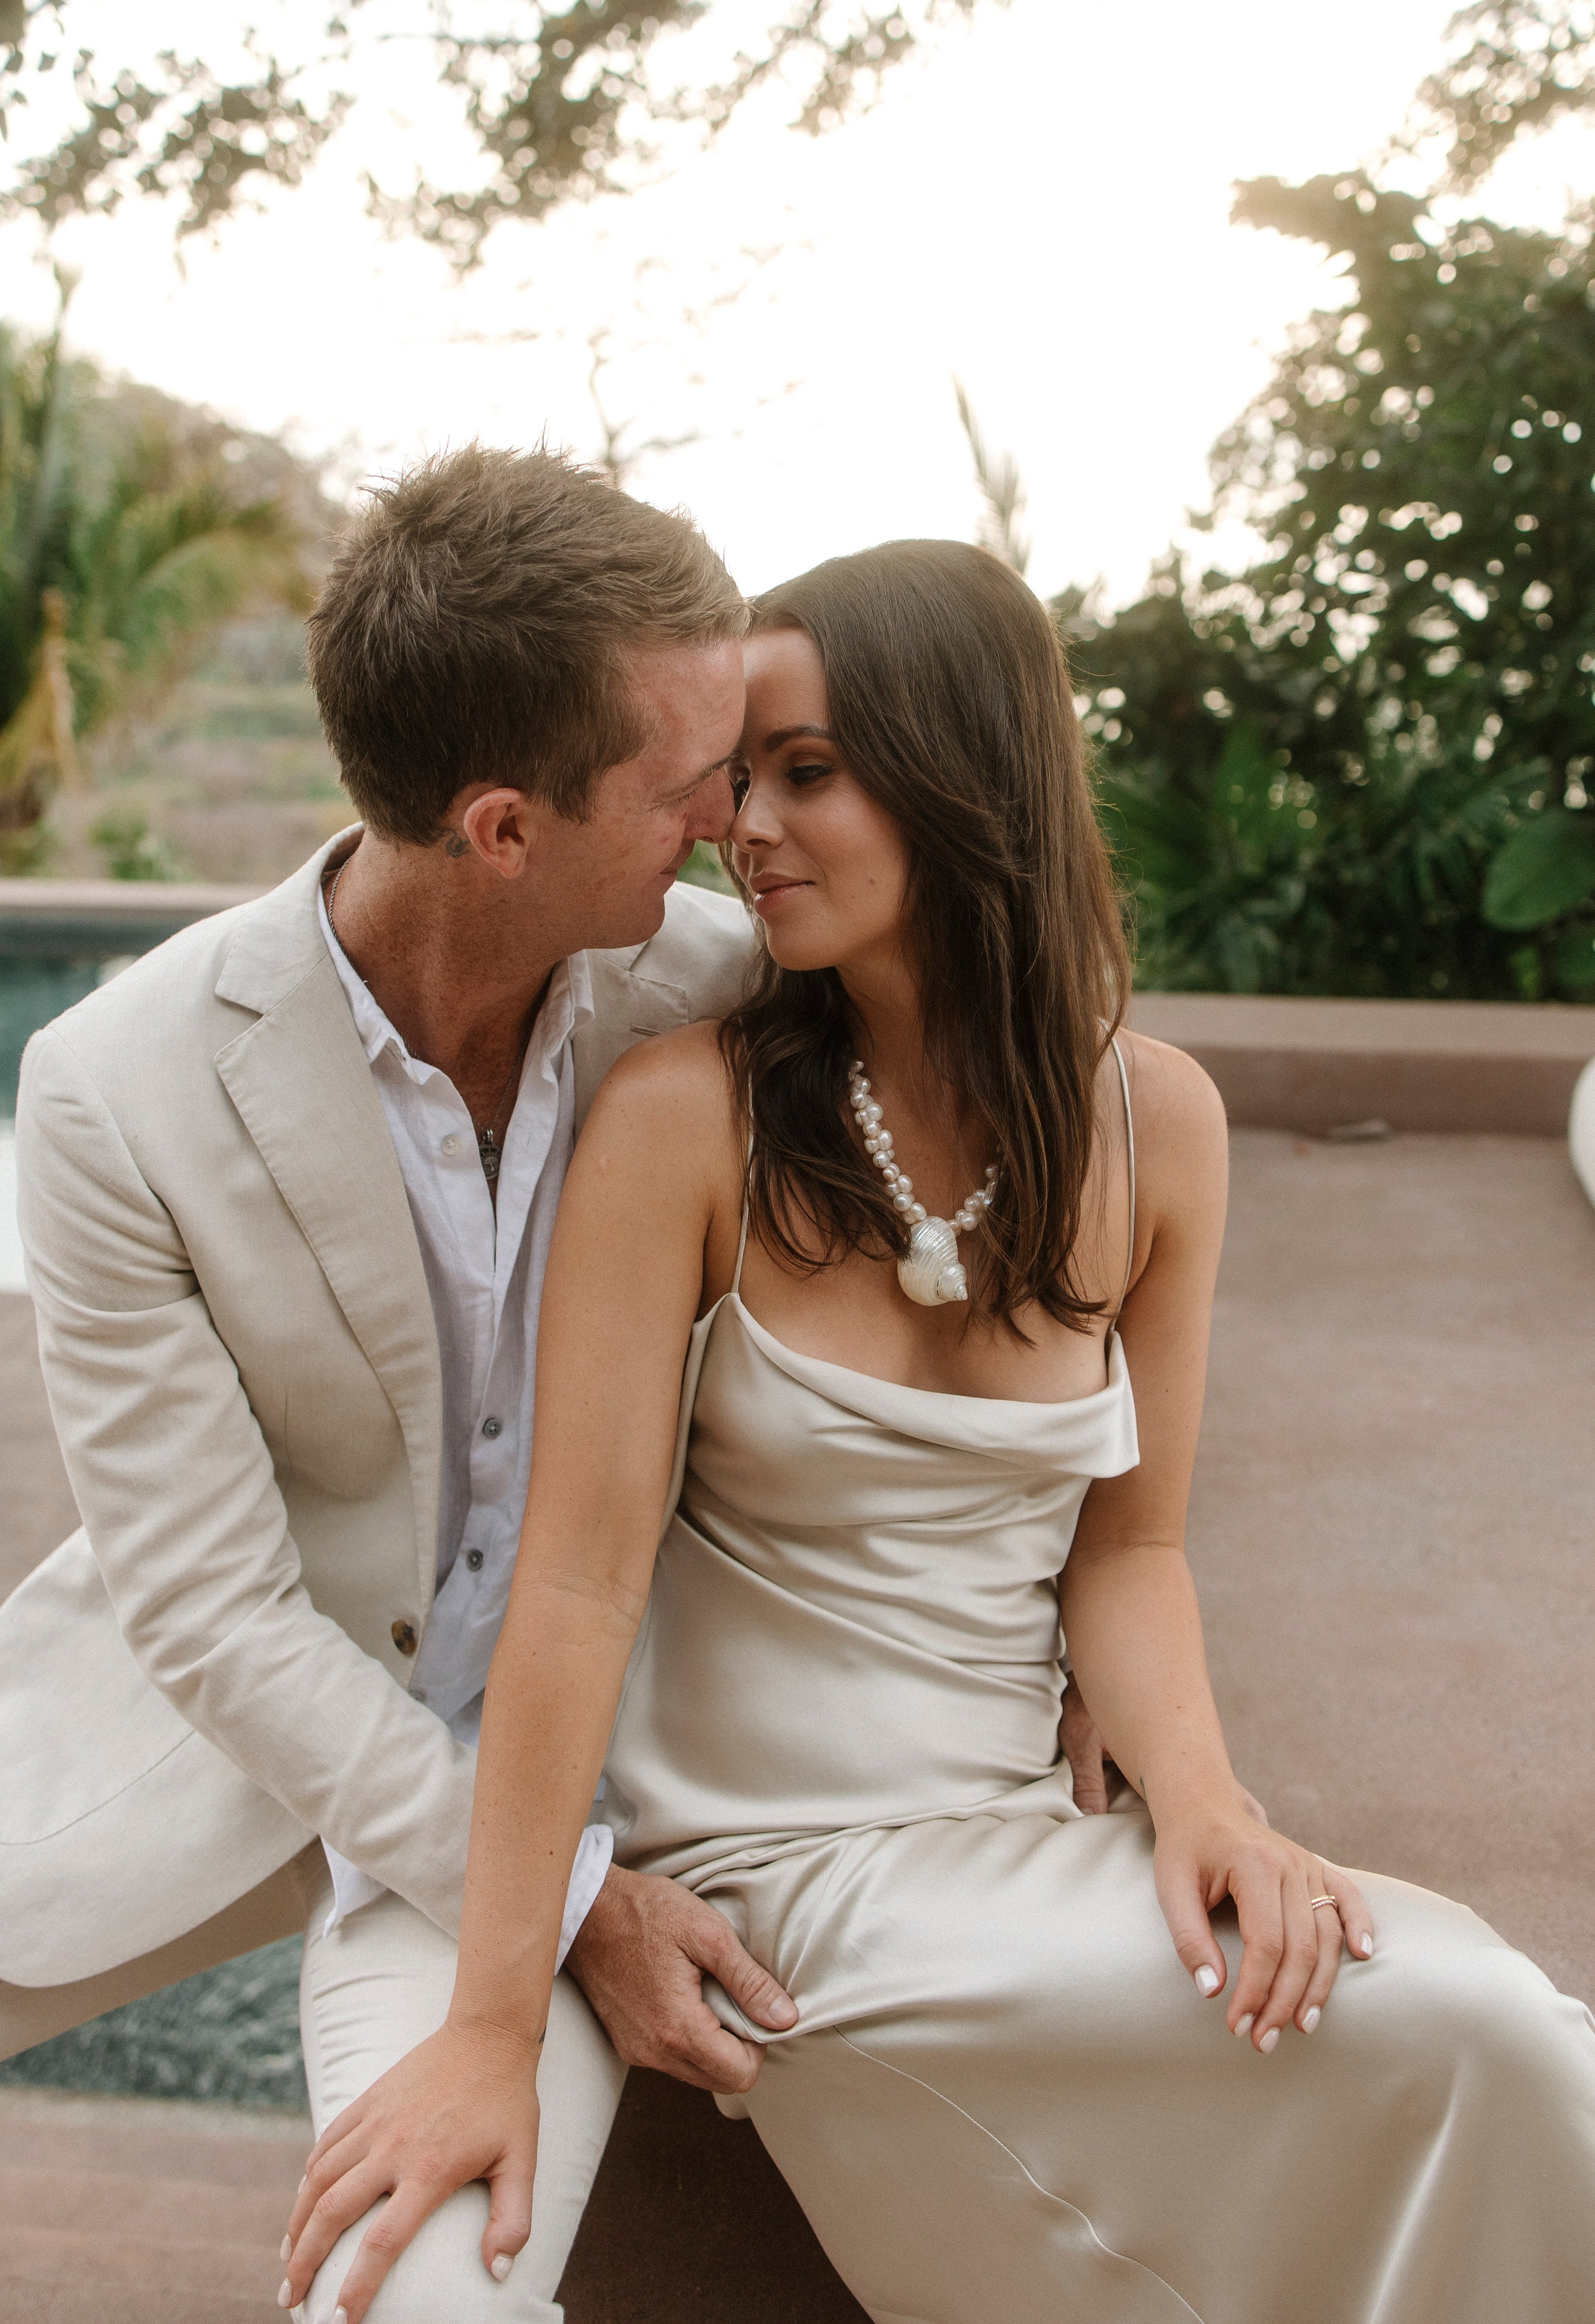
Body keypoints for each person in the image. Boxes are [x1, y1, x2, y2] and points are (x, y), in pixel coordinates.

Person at [281, 538, 1595, 2324]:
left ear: (963, 775)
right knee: (1465, 2021)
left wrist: (1207, 1803)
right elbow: (576, 1589)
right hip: (778, 1877)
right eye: (737, 775)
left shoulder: (1160, 1127)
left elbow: (1131, 1549)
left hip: (1019, 1829)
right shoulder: (688, 1119)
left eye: (806, 770)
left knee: (1494, 2025)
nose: (745, 826)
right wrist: (493, 2026)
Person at [0, 446, 839, 2322]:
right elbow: (212, 1614)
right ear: (504, 829)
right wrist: (574, 1906)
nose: (730, 820)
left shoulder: (726, 993)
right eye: (688, 783)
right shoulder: (114, 1090)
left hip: (615, 1738)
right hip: (234, 1725)